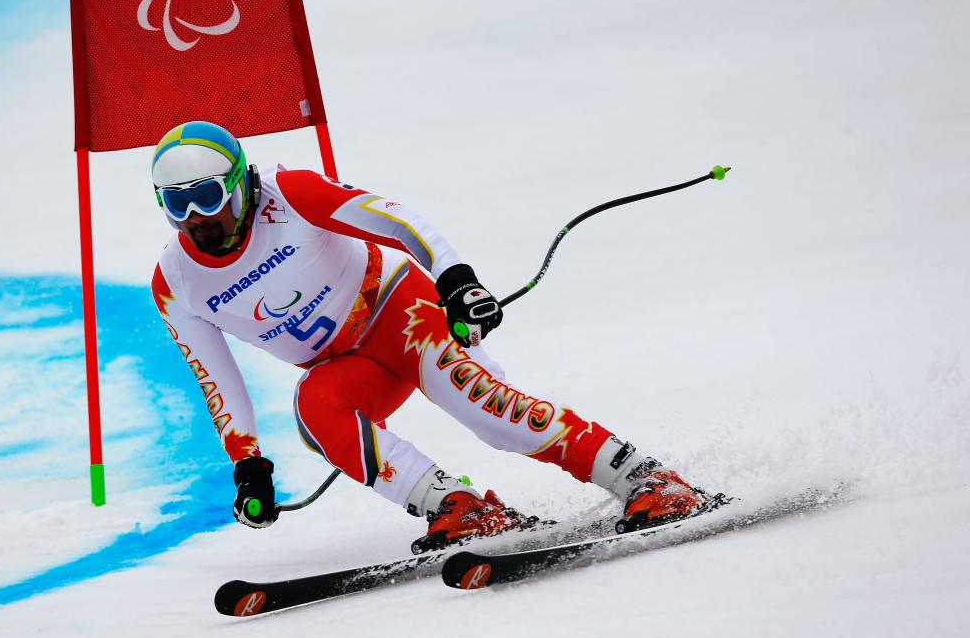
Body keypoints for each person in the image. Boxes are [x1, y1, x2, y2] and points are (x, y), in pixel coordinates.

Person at [150, 120, 708, 551]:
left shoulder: (290, 194)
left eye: (208, 196)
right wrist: (247, 464)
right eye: (177, 203)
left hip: (402, 314)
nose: (198, 217)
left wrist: (456, 281)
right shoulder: (176, 281)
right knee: (316, 411)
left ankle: (646, 478)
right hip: (348, 367)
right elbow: (215, 379)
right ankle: (459, 506)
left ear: (241, 183)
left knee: (493, 419)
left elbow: (397, 219)